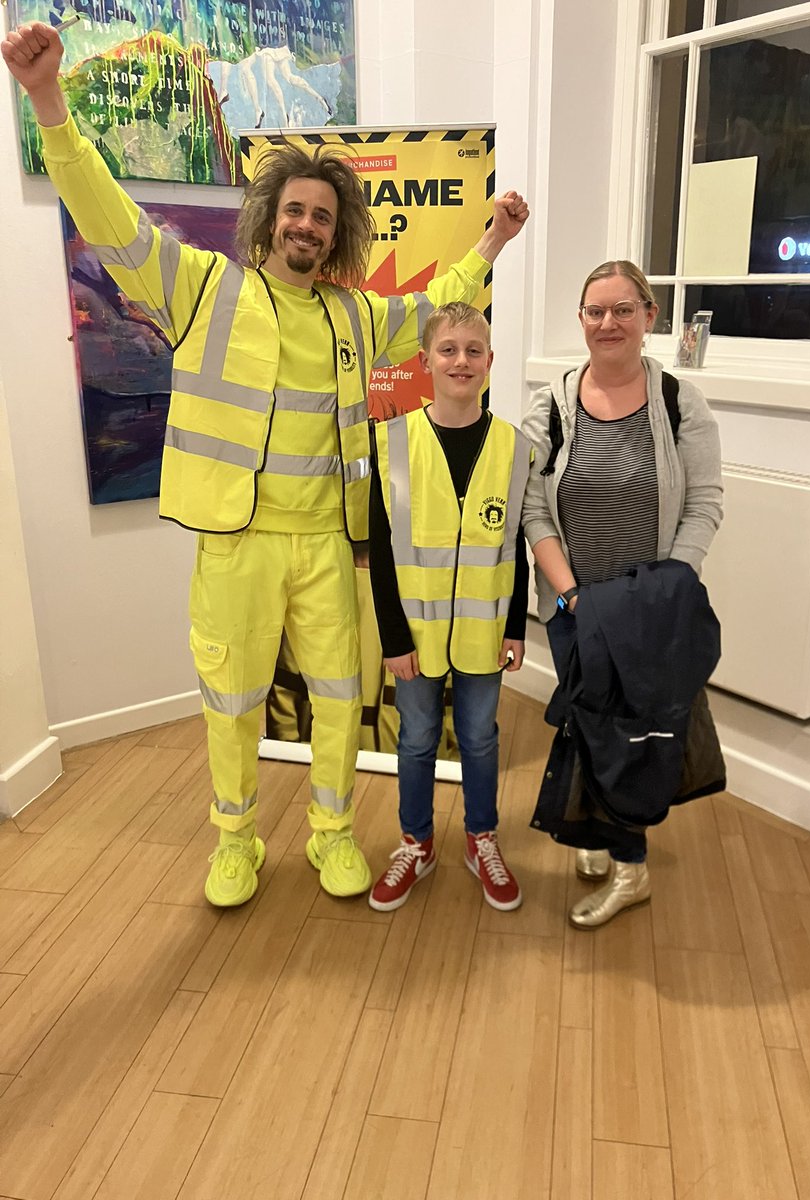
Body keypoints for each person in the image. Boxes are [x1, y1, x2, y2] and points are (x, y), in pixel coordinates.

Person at [2, 22, 529, 907]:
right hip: (236, 544)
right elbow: (111, 221)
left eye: (324, 216)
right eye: (296, 210)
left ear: (339, 232)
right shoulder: (203, 287)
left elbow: (436, 308)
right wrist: (49, 102)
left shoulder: (355, 317)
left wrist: (493, 243)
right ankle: (235, 840)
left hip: (327, 543)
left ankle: (329, 833)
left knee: (333, 699)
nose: (308, 225)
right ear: (269, 215)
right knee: (232, 700)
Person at [521, 261, 723, 928]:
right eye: (594, 311)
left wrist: (664, 591)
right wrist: (572, 593)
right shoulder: (549, 406)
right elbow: (533, 511)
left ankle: (631, 869)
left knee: (636, 736)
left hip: (649, 616)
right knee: (588, 725)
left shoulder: (678, 404)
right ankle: (595, 835)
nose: (608, 323)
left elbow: (704, 506)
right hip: (576, 606)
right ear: (580, 319)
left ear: (648, 317)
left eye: (622, 310)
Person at [367, 303, 532, 912]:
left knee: (481, 739)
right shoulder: (393, 443)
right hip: (414, 634)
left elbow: (515, 541)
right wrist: (393, 639)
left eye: (473, 351)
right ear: (425, 361)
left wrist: (516, 625)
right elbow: (382, 551)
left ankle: (481, 838)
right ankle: (416, 842)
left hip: (485, 636)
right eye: (448, 349)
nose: (460, 361)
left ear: (489, 362)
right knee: (415, 741)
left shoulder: (515, 448)